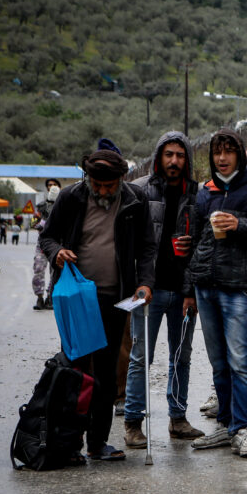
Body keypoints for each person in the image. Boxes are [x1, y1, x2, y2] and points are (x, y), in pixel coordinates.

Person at [39, 148, 157, 461]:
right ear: (88, 178)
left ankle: (97, 443)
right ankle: (68, 443)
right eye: (97, 185)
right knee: (76, 370)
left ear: (122, 178)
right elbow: (47, 237)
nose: (103, 191)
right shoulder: (70, 197)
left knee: (106, 372)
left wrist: (146, 282)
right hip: (77, 298)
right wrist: (57, 253)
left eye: (109, 185)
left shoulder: (135, 199)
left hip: (116, 297)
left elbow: (147, 247)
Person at [186, 129, 247, 459]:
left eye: (228, 151)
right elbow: (197, 239)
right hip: (206, 287)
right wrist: (190, 285)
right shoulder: (205, 192)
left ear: (240, 156)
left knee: (241, 364)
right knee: (218, 364)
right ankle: (226, 424)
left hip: (239, 288)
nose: (222, 158)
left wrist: (240, 225)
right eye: (217, 152)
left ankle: (242, 429)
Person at [123, 131, 204, 449]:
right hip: (148, 291)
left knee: (181, 357)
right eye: (169, 154)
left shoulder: (197, 195)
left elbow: (204, 245)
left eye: (180, 155)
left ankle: (178, 418)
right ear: (159, 157)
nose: (174, 161)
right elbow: (127, 240)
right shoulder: (139, 190)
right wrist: (135, 282)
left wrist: (191, 287)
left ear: (187, 159)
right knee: (140, 357)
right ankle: (132, 422)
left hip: (183, 291)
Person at [32, 178, 62, 310]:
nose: (52, 187)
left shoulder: (64, 204)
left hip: (57, 244)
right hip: (42, 244)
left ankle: (50, 297)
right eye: (49, 185)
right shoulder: (41, 206)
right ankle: (39, 298)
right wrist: (40, 224)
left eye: (54, 184)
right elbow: (34, 221)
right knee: (38, 268)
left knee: (55, 272)